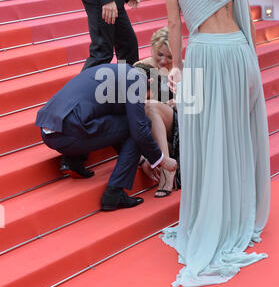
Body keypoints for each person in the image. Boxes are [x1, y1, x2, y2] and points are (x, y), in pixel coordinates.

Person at [160, 0, 271, 287]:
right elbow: (245, 20)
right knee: (235, 132)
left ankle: (207, 217)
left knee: (201, 135)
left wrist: (176, 66)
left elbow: (174, 25)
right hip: (237, 53)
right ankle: (235, 215)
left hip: (202, 54)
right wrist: (253, 68)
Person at [35, 63, 177, 211]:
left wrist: (141, 161)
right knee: (142, 124)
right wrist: (160, 159)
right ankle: (114, 192)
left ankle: (73, 160)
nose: (142, 103)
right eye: (146, 98)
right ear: (149, 82)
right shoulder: (136, 79)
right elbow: (139, 130)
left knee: (117, 120)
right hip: (72, 131)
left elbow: (113, 130)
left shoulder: (112, 73)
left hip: (48, 131)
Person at [135, 27, 181, 197]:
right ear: (152, 48)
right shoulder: (140, 68)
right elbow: (129, 113)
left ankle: (167, 171)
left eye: (169, 57)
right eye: (160, 54)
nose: (163, 61)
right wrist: (141, 158)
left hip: (177, 130)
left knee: (151, 105)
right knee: (144, 107)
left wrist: (179, 103)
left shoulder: (181, 70)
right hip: (149, 132)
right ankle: (160, 159)